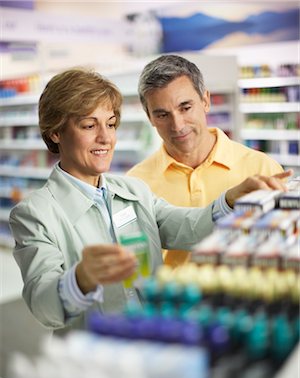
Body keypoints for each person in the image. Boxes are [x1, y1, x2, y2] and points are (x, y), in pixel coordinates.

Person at [9, 67, 291, 332]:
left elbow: (188, 226)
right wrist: (80, 278)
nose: (106, 138)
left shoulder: (134, 190)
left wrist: (231, 200)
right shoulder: (35, 214)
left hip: (155, 340)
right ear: (55, 132)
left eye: (111, 124)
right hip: (97, 361)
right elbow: (42, 303)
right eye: (88, 126)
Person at [127, 54, 285, 267]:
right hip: (170, 299)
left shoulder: (262, 168)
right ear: (150, 118)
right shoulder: (136, 184)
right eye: (163, 115)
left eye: (185, 107)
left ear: (205, 101)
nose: (178, 125)